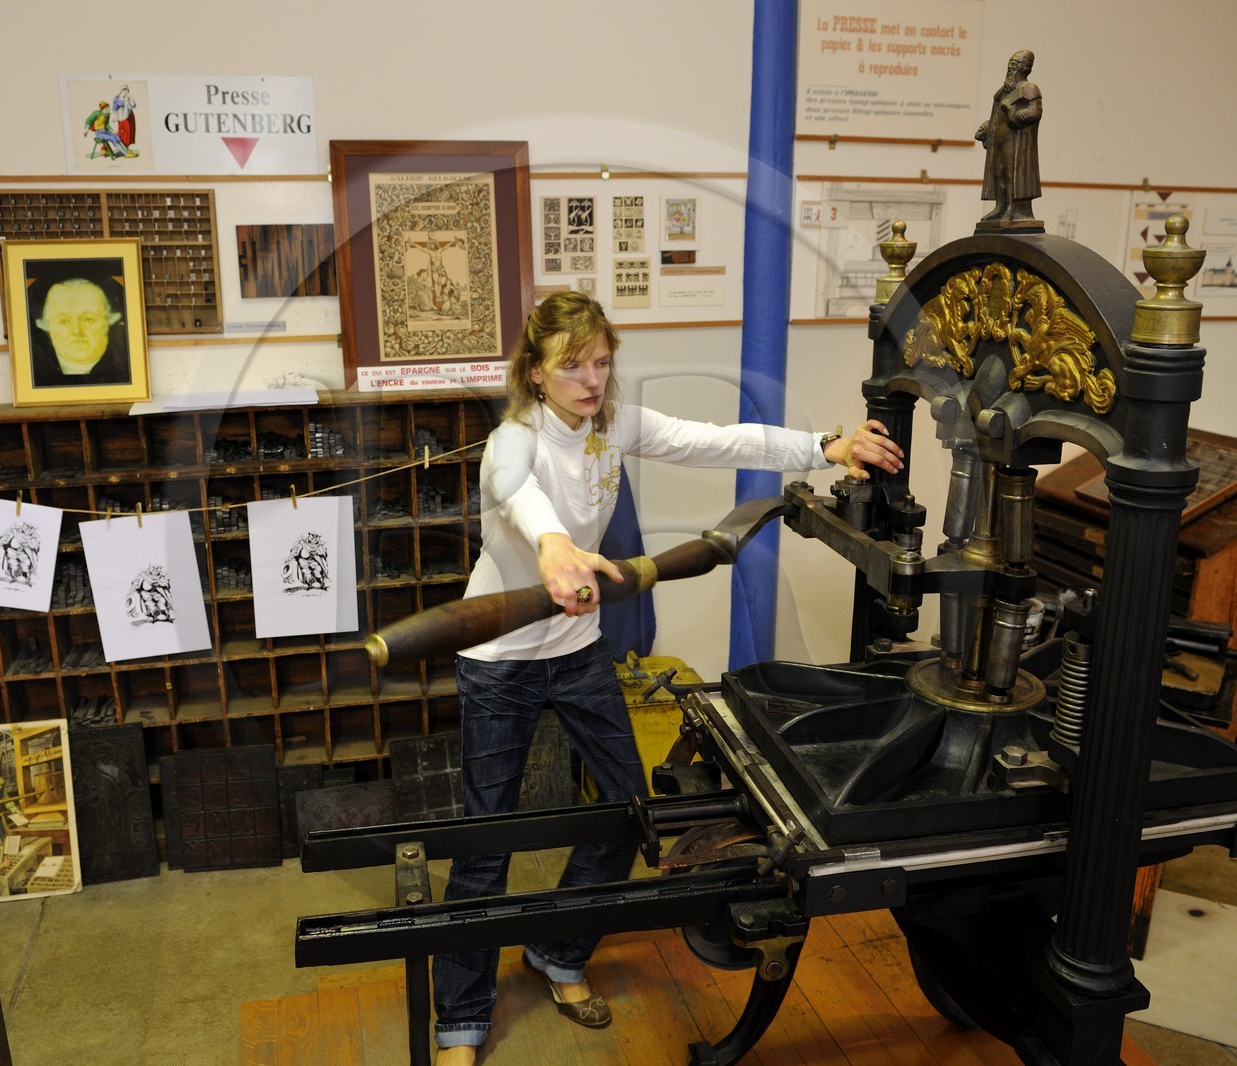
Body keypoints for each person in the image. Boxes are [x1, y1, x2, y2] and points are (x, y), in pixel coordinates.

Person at [430, 292, 902, 1064]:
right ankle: (461, 1018)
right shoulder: (511, 441)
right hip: (500, 661)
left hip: (579, 648)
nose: (591, 380)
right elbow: (519, 494)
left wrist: (828, 445)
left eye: (602, 362)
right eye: (572, 365)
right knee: (488, 844)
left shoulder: (613, 425)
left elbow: (717, 440)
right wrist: (553, 548)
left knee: (628, 814)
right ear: (537, 373)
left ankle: (559, 953)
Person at [975, 50, 1043, 225]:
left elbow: (1034, 113)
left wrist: (1012, 113)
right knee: (998, 173)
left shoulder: (1029, 89)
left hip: (1015, 139)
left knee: (1011, 173)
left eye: (1015, 64)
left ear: (1025, 67)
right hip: (999, 138)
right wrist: (988, 126)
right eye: (1010, 63)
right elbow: (998, 115)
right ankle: (1001, 206)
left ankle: (1013, 208)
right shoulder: (1003, 91)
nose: (1011, 68)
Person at [29, 276, 132, 387]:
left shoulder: (124, 371)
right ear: (45, 326)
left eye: (88, 320)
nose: (77, 331)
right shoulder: (35, 375)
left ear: (108, 321)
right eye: (64, 322)